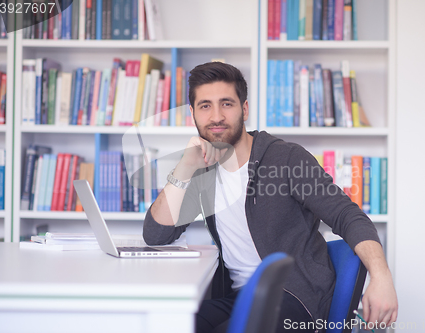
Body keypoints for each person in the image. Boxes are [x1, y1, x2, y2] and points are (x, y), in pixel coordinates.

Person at [143, 62, 398, 333]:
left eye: (226, 104)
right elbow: (157, 235)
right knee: (169, 324)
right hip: (238, 297)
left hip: (297, 299)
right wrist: (184, 167)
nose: (216, 116)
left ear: (244, 109)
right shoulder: (201, 169)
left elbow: (347, 215)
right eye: (205, 106)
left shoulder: (286, 158)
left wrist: (381, 275)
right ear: (193, 113)